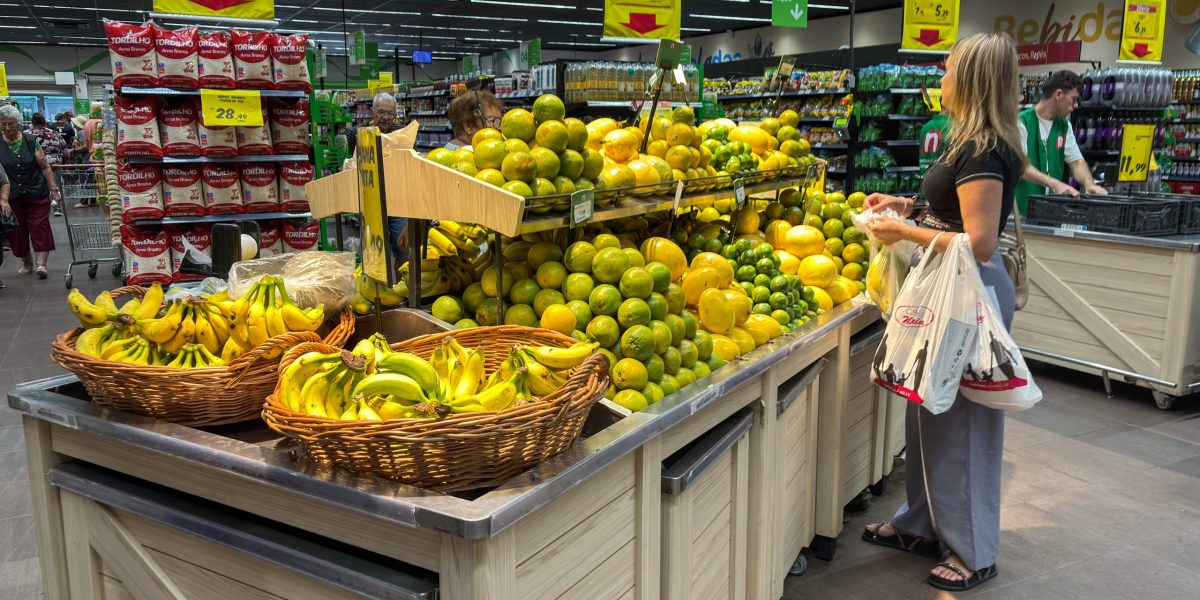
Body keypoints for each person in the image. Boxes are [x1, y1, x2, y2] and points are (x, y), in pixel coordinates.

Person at [858, 32, 1028, 593]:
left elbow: (978, 243)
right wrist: (906, 207)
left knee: (966, 425)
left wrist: (901, 231)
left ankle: (974, 550)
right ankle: (922, 525)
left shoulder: (983, 150)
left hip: (969, 295)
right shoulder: (967, 142)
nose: (940, 77)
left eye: (948, 68)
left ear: (971, 79)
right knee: (928, 414)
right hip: (951, 291)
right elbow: (949, 212)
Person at [1015, 69, 1107, 214]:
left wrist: (1089, 184)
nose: (1076, 105)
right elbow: (1020, 167)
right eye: (1074, 99)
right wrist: (1055, 184)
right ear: (1058, 94)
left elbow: (1076, 161)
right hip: (1019, 215)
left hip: (1049, 213)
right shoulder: (1021, 122)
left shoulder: (1064, 126)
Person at [0, 104, 60, 279]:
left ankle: (42, 265)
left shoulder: (31, 140)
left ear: (19, 123)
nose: (7, 127)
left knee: (39, 227)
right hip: (10, 196)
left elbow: (45, 167)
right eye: (3, 124)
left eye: (11, 123)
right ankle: (27, 263)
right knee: (16, 231)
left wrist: (54, 190)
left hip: (36, 191)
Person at [348, 93, 408, 262]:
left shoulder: (401, 132)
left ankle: (401, 286)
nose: (386, 117)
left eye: (390, 113)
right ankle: (375, 286)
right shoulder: (356, 133)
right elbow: (352, 163)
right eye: (381, 112)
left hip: (396, 196)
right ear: (372, 112)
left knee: (402, 246)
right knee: (374, 250)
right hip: (370, 198)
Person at [28, 114, 67, 216]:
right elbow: (65, 151)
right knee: (55, 185)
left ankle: (40, 208)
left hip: (36, 165)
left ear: (32, 123)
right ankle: (57, 207)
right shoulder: (54, 133)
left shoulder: (26, 134)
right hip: (55, 164)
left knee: (39, 187)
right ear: (45, 122)